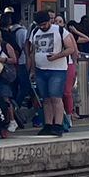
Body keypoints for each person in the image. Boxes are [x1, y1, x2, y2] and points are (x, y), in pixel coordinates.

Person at [29, 7, 75, 136]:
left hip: (57, 70)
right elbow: (33, 52)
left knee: (56, 97)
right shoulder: (35, 32)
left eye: (44, 24)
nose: (43, 27)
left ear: (49, 21)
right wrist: (32, 70)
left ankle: (58, 124)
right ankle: (48, 124)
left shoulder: (60, 31)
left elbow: (71, 48)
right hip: (40, 69)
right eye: (40, 25)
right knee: (46, 99)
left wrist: (57, 56)